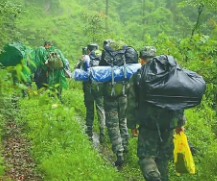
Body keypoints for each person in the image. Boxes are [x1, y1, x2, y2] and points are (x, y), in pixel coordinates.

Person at [127, 46, 185, 181]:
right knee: (163, 158)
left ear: (141, 60)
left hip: (148, 125)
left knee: (146, 157)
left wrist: (132, 125)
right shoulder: (169, 75)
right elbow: (179, 100)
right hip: (168, 124)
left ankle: (154, 177)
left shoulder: (137, 77)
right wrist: (180, 122)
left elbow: (131, 103)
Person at [99, 40, 129, 167]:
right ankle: (126, 146)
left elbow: (99, 74)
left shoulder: (105, 56)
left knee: (112, 124)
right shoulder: (124, 56)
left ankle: (119, 152)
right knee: (123, 121)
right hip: (123, 95)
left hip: (110, 96)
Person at [75, 44, 106, 143]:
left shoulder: (86, 58)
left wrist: (81, 60)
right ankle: (102, 133)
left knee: (90, 109)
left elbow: (76, 68)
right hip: (100, 87)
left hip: (89, 88)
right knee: (101, 109)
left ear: (88, 50)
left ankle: (89, 132)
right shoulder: (102, 56)